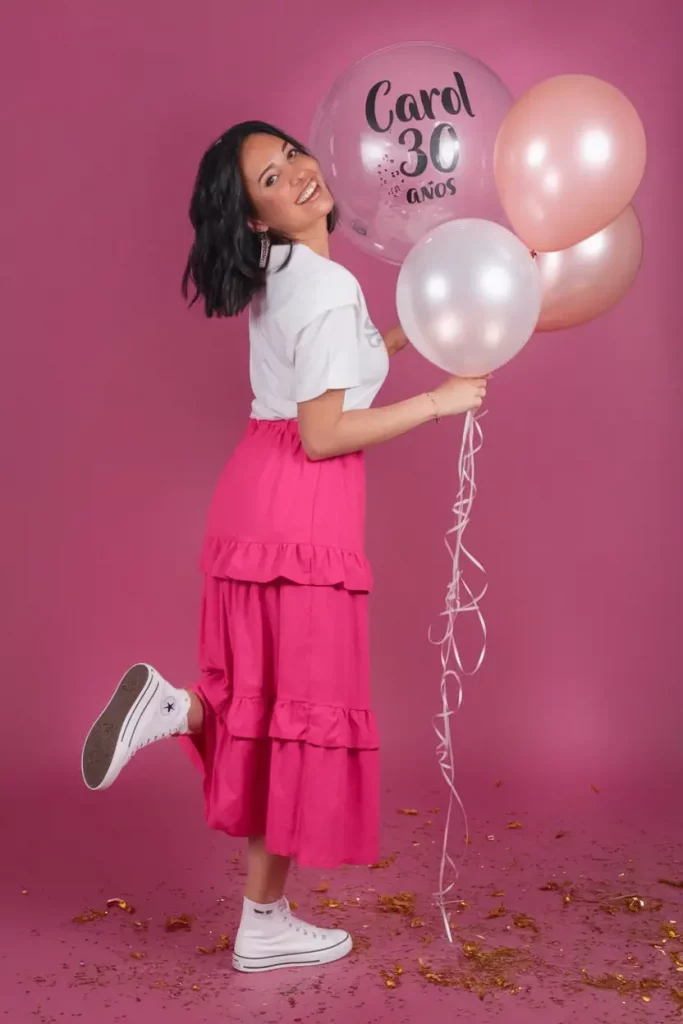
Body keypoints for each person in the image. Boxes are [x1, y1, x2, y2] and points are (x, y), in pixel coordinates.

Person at [81, 121, 486, 974]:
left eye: (292, 155)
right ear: (257, 217)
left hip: (249, 500)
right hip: (304, 509)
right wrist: (438, 404)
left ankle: (182, 711)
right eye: (271, 178)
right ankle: (264, 922)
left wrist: (416, 336)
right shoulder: (329, 286)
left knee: (267, 706)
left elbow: (333, 362)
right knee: (296, 718)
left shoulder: (281, 274)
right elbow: (326, 430)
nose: (298, 174)